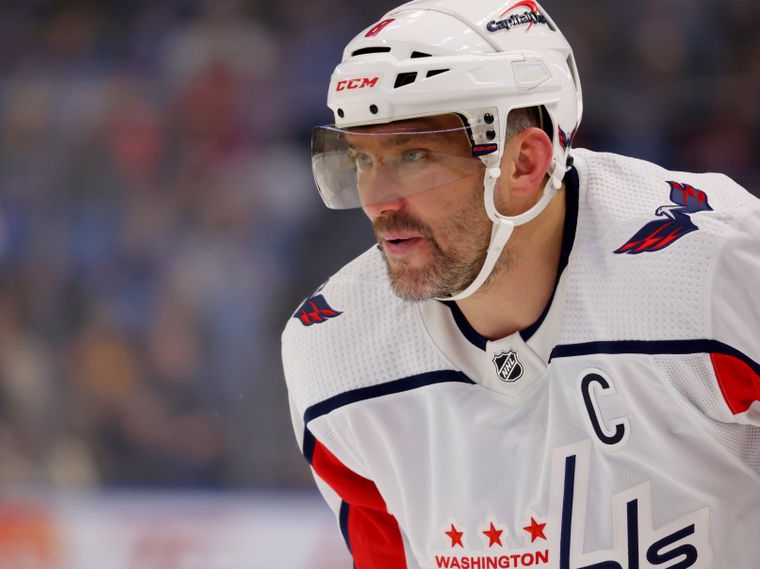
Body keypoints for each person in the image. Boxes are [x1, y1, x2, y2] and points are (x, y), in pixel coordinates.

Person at [281, 1, 760, 567]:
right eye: (361, 158)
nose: (377, 200)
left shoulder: (719, 267)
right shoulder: (334, 348)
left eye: (412, 154)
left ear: (524, 163)